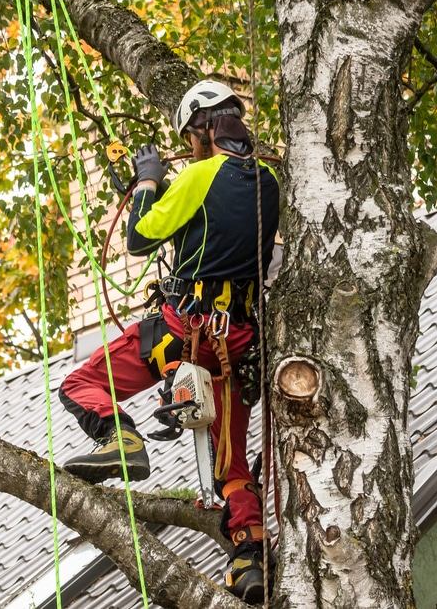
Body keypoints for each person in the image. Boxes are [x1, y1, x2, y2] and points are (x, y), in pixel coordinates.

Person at [58, 80, 280, 603]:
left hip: (185, 333)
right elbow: (217, 234)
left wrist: (147, 184)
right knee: (233, 463)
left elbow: (138, 238)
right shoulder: (269, 179)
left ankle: (124, 441)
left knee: (81, 382)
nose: (192, 144)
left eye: (191, 134)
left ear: (203, 128)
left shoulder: (198, 176)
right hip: (240, 342)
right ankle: (249, 559)